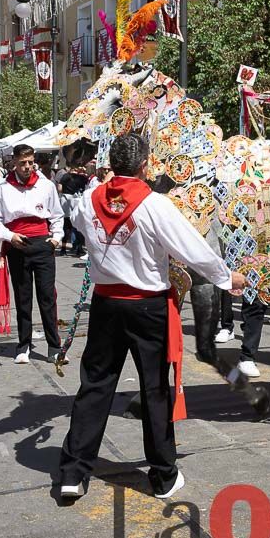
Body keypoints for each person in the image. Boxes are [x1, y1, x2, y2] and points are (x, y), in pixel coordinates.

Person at [57, 133, 246, 500]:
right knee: (155, 389)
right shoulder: (154, 204)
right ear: (145, 165)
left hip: (106, 303)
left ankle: (73, 472)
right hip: (147, 306)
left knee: (95, 386)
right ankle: (162, 475)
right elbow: (193, 248)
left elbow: (79, 223)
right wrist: (226, 277)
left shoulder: (90, 199)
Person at [0, 144, 64, 364]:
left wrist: (56, 238)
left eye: (30, 162)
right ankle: (23, 345)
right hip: (18, 245)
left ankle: (54, 346)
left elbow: (57, 215)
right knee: (23, 297)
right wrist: (10, 236)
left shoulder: (46, 186)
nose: (27, 167)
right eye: (22, 163)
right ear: (14, 163)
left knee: (47, 297)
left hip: (42, 244)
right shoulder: (3, 189)